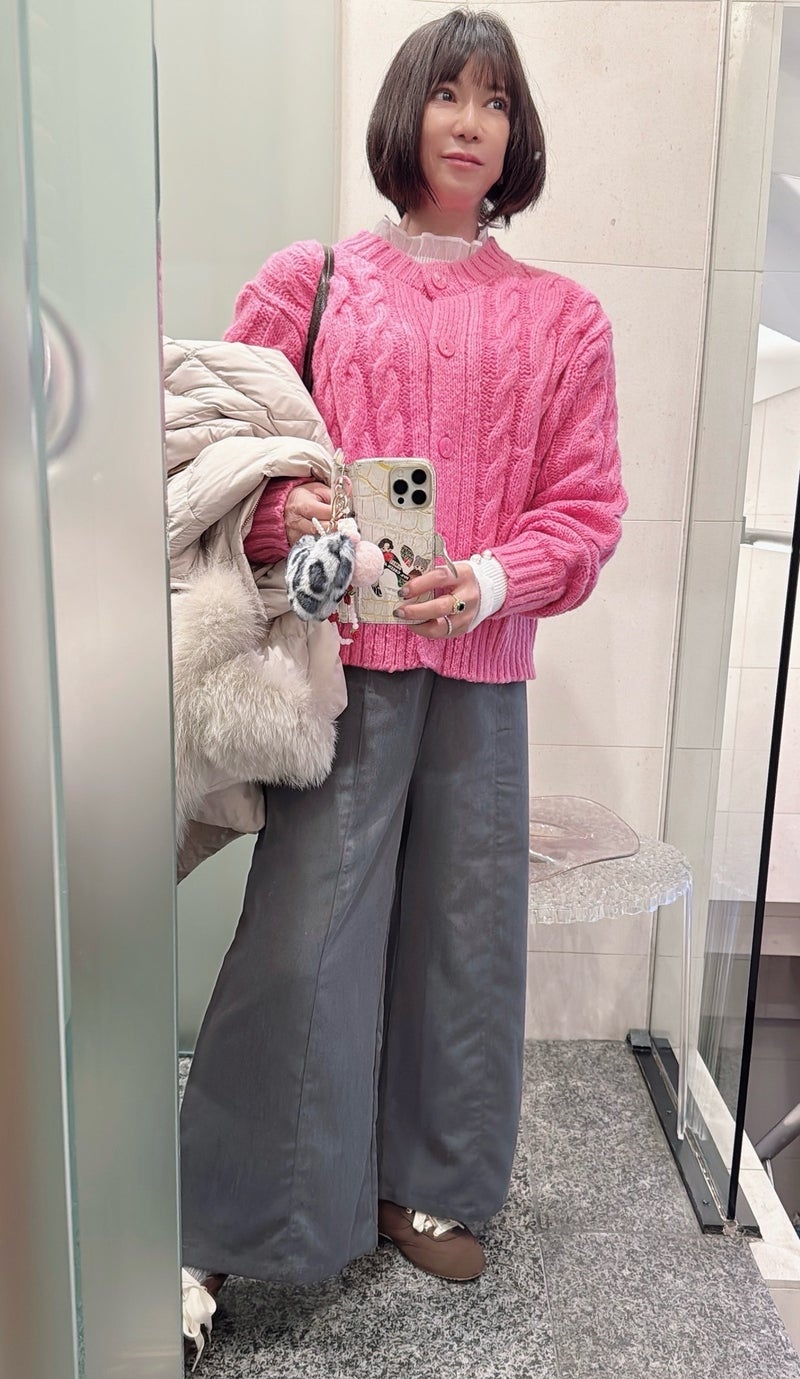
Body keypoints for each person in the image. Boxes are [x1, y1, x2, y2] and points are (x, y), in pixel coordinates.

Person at [179, 3, 626, 1350]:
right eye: (448, 93)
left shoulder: (564, 320)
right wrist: (295, 522)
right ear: (406, 113)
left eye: (496, 101)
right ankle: (245, 1215)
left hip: (481, 673)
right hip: (345, 668)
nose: (470, 122)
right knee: (307, 936)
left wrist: (486, 579)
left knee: (463, 936)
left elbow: (585, 511)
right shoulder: (311, 282)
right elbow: (225, 456)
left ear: (516, 133)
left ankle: (431, 1179)